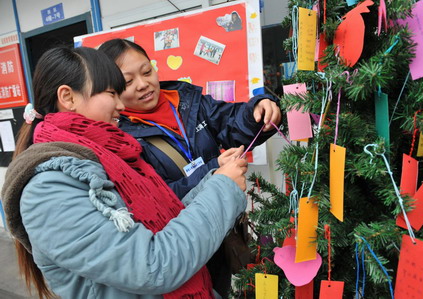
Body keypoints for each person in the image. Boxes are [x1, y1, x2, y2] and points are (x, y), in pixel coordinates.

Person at [1, 46, 248, 299]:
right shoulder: (48, 191)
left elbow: (164, 217)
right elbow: (152, 267)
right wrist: (222, 190)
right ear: (68, 97)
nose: (121, 105)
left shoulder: (111, 158)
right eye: (111, 93)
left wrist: (213, 180)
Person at [98, 38, 282, 297]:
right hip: (182, 241)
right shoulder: (120, 138)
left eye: (147, 71)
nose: (143, 85)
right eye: (128, 82)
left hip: (222, 225)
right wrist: (212, 169)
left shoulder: (185, 99)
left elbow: (228, 121)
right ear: (112, 91)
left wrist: (257, 110)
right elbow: (155, 197)